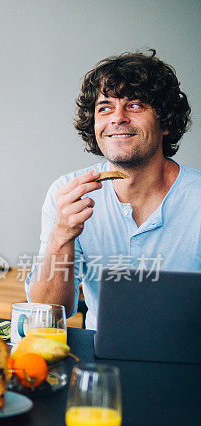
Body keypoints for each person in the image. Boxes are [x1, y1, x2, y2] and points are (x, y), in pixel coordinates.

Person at [26, 50, 200, 329]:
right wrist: (61, 237)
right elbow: (46, 314)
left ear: (165, 121)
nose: (117, 118)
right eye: (104, 108)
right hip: (100, 365)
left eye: (135, 105)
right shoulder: (67, 193)